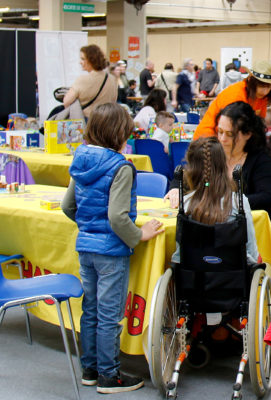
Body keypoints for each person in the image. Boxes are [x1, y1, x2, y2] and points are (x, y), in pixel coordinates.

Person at [62, 103, 165, 394]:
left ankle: (90, 369)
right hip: (111, 251)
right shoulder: (121, 166)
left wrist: (88, 226)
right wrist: (139, 235)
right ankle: (109, 375)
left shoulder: (81, 159)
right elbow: (117, 217)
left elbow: (68, 206)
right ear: (121, 133)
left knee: (91, 309)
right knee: (109, 314)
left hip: (86, 248)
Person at [169, 101, 271, 238]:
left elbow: (267, 197)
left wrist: (225, 202)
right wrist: (176, 188)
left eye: (230, 134)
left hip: (255, 230)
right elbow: (186, 175)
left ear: (247, 134)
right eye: (220, 132)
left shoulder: (261, 160)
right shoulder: (214, 151)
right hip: (214, 226)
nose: (222, 139)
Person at [171, 137, 258, 264]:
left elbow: (178, 257)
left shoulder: (185, 204)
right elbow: (252, 253)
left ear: (191, 169)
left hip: (193, 278)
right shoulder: (239, 202)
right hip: (234, 277)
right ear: (224, 165)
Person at [193, 60, 271, 139]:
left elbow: (258, 125)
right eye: (261, 86)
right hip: (209, 139)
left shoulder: (262, 98)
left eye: (268, 87)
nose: (265, 91)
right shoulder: (236, 95)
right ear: (251, 81)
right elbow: (225, 129)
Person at [61, 45, 117, 118]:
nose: (80, 62)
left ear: (92, 60)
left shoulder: (82, 80)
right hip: (107, 121)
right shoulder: (112, 79)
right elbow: (113, 101)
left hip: (89, 121)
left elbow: (67, 102)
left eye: (83, 59)